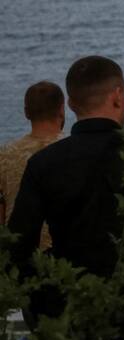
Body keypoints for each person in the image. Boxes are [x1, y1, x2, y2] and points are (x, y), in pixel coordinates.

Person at [7, 56, 124, 332]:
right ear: (117, 97)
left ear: (70, 104)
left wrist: (47, 301)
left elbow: (18, 247)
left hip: (71, 309)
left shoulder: (43, 164)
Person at [0, 81, 66, 248]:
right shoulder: (75, 149)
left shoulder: (5, 155)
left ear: (26, 112)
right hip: (65, 250)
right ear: (61, 109)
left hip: (18, 249)